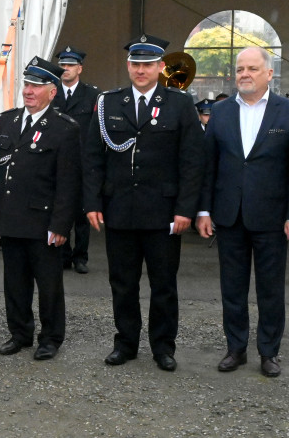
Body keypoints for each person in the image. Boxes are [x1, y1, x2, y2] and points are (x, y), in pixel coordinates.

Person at [83, 35, 204, 371]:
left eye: (148, 64)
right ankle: (125, 344)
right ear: (128, 66)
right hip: (119, 208)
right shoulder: (109, 102)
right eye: (135, 64)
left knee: (163, 284)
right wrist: (92, 201)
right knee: (122, 283)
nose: (140, 70)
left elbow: (192, 161)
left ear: (160, 68)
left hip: (163, 212)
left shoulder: (180, 104)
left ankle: (163, 347)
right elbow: (92, 156)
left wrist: (185, 209)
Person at [195, 47, 289, 378]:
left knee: (270, 289)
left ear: (269, 74)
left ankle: (269, 351)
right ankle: (236, 348)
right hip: (229, 215)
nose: (244, 74)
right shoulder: (220, 111)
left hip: (272, 218)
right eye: (240, 69)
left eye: (252, 69)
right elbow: (209, 167)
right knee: (232, 287)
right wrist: (204, 210)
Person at [0, 56, 80, 361]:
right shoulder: (7, 120)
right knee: (14, 282)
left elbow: (68, 183)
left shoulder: (63, 129)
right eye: (27, 84)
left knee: (49, 285)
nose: (28, 90)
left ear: (52, 92)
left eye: (36, 86)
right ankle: (19, 333)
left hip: (43, 221)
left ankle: (51, 338)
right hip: (12, 217)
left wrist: (61, 225)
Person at [50, 45, 99, 274]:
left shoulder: (92, 95)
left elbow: (97, 130)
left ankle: (81, 256)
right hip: (56, 161)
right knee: (59, 209)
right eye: (63, 65)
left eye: (70, 65)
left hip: (82, 161)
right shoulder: (51, 93)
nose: (66, 69)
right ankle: (63, 254)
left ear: (80, 68)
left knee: (81, 213)